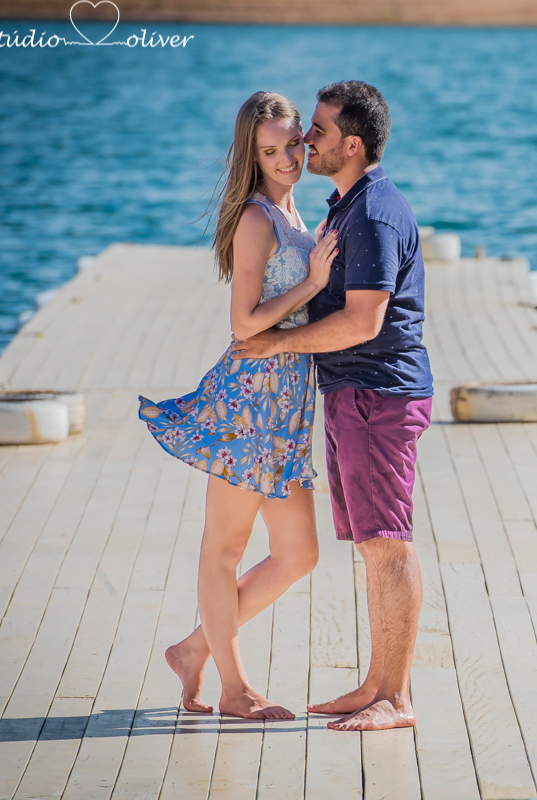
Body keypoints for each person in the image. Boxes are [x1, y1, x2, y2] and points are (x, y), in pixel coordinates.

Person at [230, 80, 433, 732]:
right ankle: (376, 683)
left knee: (388, 547)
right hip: (354, 396)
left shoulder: (372, 213)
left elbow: (363, 322)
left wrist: (276, 344)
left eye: (317, 130)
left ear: (352, 143)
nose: (305, 140)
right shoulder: (348, 205)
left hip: (377, 394)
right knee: (373, 544)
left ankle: (395, 700)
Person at [139, 91, 339, 720]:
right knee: (223, 549)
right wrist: (311, 283)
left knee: (298, 554)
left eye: (293, 147)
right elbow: (245, 324)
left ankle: (195, 650)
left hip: (286, 411)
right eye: (271, 152)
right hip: (248, 407)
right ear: (252, 157)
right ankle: (234, 688)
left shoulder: (296, 210)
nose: (287, 161)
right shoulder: (258, 219)